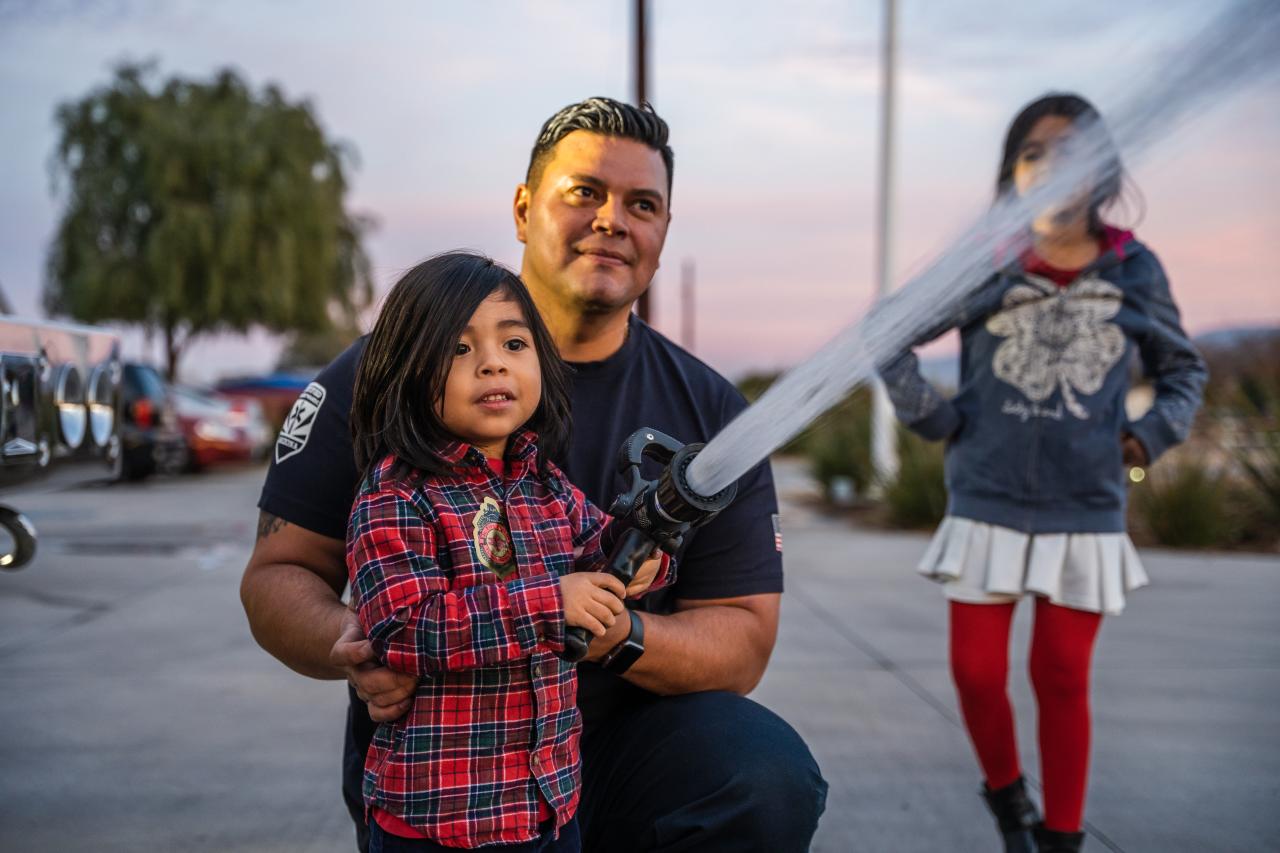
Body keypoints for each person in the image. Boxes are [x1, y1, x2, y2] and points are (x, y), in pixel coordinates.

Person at [241, 97, 828, 853]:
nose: (612, 220)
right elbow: (275, 574)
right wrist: (352, 642)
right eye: (584, 192)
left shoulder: (712, 411)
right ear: (523, 209)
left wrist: (618, 631)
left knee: (764, 774)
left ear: (662, 233)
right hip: (445, 772)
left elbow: (744, 639)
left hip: (621, 754)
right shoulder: (386, 374)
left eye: (642, 204)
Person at [880, 92, 1207, 853]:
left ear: (1101, 171)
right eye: (1032, 152)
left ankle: (1061, 840)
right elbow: (886, 332)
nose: (1050, 166)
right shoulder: (984, 263)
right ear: (1011, 174)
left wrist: (1149, 434)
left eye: (1070, 151)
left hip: (1084, 504)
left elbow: (1182, 368)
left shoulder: (1133, 266)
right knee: (975, 672)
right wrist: (932, 415)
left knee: (1061, 675)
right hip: (985, 498)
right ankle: (1006, 800)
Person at [347, 252, 670, 851]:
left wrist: (642, 556)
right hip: (440, 820)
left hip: (549, 806)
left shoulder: (543, 482)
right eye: (459, 349)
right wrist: (553, 604)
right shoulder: (395, 495)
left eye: (514, 344)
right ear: (406, 370)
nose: (493, 362)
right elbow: (405, 629)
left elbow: (601, 549)